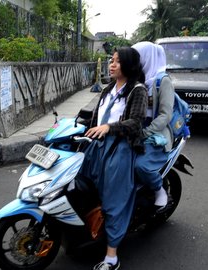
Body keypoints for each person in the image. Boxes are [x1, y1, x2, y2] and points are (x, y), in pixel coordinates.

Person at [78, 47, 147, 270]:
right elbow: (95, 117)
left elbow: (135, 122)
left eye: (117, 61)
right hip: (97, 147)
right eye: (111, 60)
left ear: (129, 65)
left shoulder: (137, 90)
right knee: (82, 187)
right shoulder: (108, 88)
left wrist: (109, 127)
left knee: (113, 200)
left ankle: (112, 257)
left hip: (120, 149)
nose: (112, 64)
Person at [132, 41, 175, 209]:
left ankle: (159, 190)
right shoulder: (137, 79)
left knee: (141, 166)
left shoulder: (162, 81)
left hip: (156, 134)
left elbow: (165, 115)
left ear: (146, 58)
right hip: (135, 128)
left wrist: (146, 132)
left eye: (137, 57)